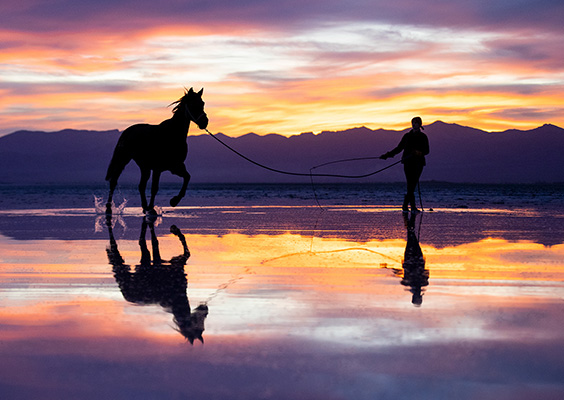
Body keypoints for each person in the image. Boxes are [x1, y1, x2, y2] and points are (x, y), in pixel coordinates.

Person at [380, 117, 429, 213]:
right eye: (413, 123)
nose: (414, 124)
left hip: (418, 164)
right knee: (410, 184)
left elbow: (427, 150)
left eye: (416, 123)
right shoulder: (407, 136)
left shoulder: (423, 137)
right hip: (407, 163)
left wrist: (418, 152)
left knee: (412, 185)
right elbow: (399, 148)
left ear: (420, 124)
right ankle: (411, 207)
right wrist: (387, 155)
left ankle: (406, 206)